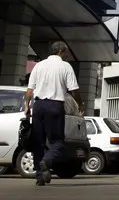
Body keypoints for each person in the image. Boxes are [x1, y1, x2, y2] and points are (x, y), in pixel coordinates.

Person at [23, 41, 81, 186]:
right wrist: (80, 104)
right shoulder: (65, 66)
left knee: (39, 143)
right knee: (58, 143)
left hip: (38, 106)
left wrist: (27, 106)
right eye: (66, 51)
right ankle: (47, 161)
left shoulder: (39, 65)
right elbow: (74, 90)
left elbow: (29, 90)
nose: (67, 54)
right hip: (55, 106)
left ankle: (40, 178)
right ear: (61, 51)